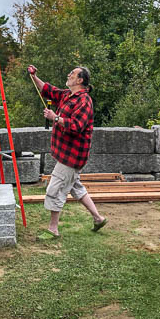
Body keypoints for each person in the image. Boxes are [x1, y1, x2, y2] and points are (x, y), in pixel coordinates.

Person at [27, 65, 107, 238]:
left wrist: (55, 117)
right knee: (75, 186)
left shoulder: (84, 101)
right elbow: (49, 90)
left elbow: (77, 126)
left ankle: (53, 229)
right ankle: (98, 218)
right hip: (66, 153)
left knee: (54, 189)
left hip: (72, 155)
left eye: (73, 74)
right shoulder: (67, 95)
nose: (68, 74)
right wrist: (34, 76)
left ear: (80, 80)